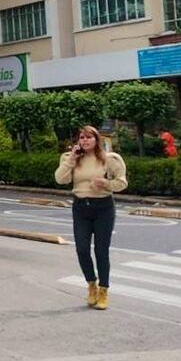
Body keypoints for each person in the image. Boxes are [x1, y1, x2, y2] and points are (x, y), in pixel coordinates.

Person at [54, 125, 128, 310]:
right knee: (81, 249)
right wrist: (72, 158)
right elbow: (60, 179)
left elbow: (122, 182)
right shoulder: (70, 159)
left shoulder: (109, 159)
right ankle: (91, 284)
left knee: (101, 252)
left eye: (89, 137)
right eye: (82, 137)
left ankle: (104, 290)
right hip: (81, 207)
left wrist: (106, 183)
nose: (85, 141)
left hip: (103, 208)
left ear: (97, 140)